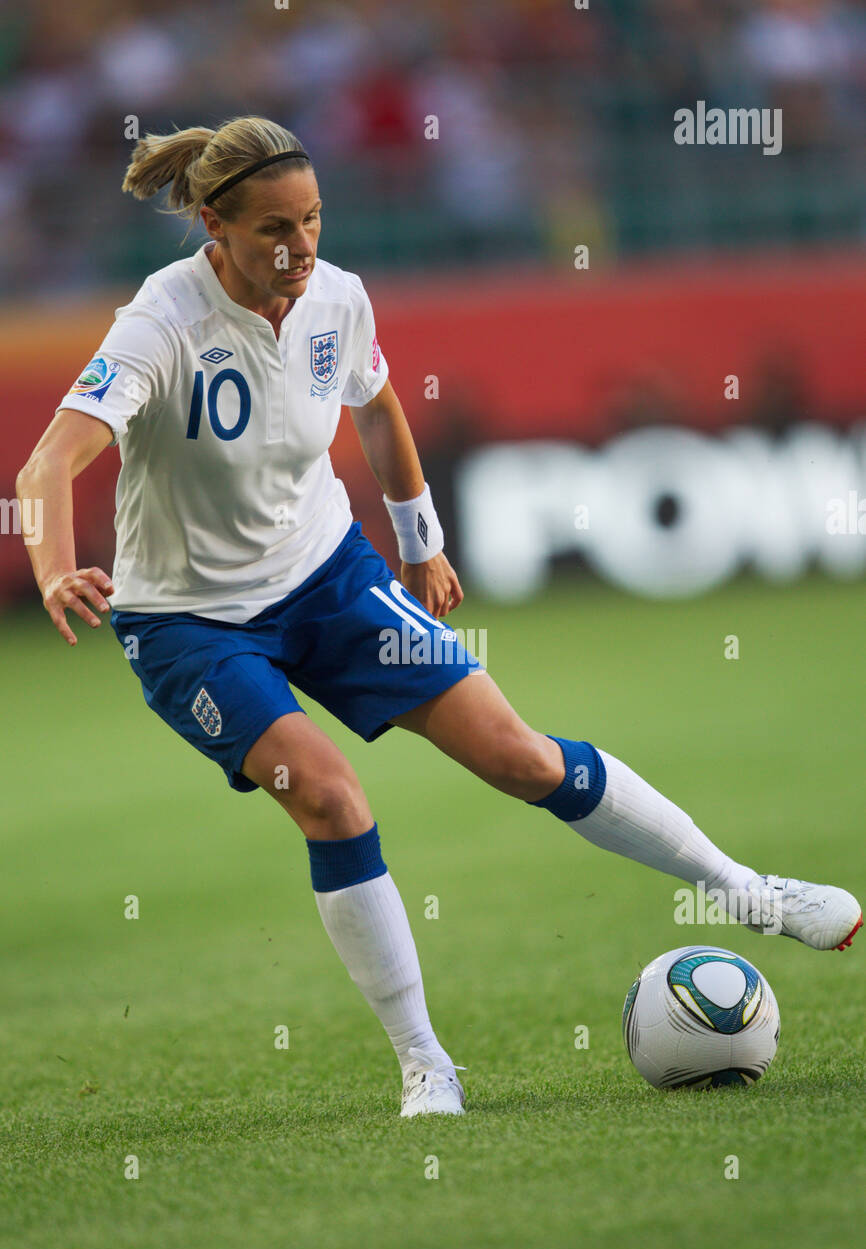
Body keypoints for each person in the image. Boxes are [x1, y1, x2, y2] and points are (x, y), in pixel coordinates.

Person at [16, 116, 861, 1118]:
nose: (300, 248)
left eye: (314, 221)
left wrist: (420, 540)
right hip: (190, 623)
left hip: (325, 574)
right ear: (213, 226)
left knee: (518, 756)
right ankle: (425, 1062)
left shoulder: (337, 299)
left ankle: (744, 889)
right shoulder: (159, 322)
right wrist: (57, 565)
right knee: (329, 795)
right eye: (274, 230)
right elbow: (46, 463)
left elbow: (375, 406)